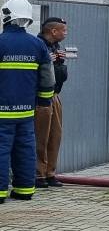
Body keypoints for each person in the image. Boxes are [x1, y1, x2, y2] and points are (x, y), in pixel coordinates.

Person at [0, 0, 54, 204]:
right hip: (26, 112)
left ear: (6, 16)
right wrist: (44, 101)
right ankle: (24, 190)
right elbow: (48, 78)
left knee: (1, 150)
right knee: (25, 149)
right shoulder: (37, 45)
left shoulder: (1, 43)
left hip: (1, 112)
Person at [34, 17, 68, 188]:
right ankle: (38, 174)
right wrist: (49, 60)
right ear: (53, 31)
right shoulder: (37, 46)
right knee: (41, 136)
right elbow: (36, 72)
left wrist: (60, 62)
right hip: (41, 97)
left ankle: (50, 173)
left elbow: (61, 76)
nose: (65, 33)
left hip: (55, 95)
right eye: (63, 30)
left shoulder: (56, 47)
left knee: (55, 136)